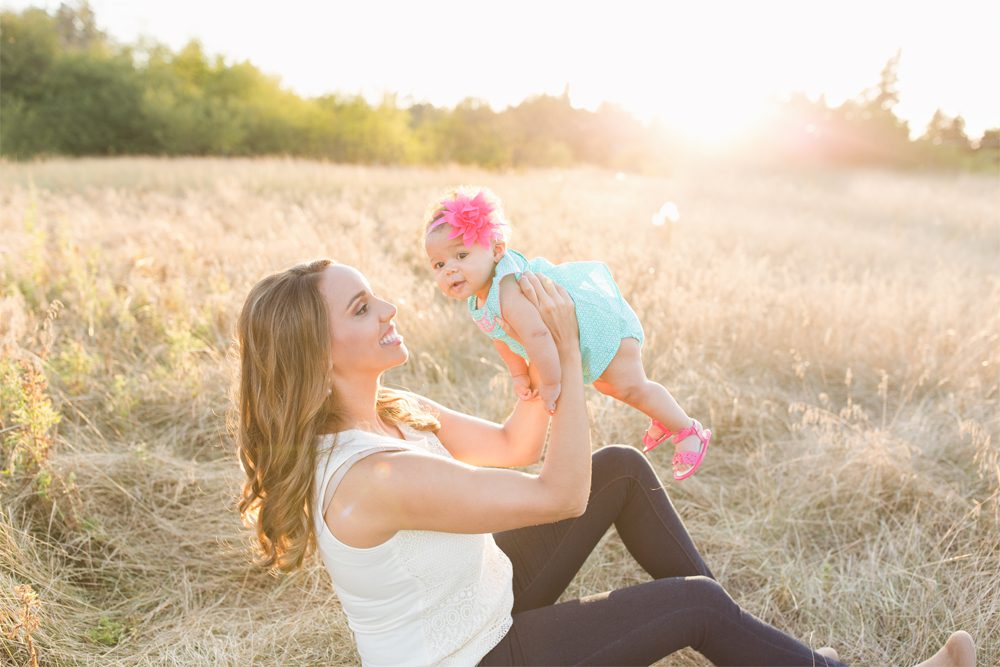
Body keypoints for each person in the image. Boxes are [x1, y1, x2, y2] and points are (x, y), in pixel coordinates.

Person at [234, 258, 977, 667]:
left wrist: (542, 371)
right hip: (474, 658)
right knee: (695, 603)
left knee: (620, 467)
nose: (391, 304)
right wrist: (563, 347)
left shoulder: (396, 409)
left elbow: (513, 445)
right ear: (316, 354)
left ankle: (755, 655)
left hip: (483, 602)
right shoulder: (371, 478)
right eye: (363, 307)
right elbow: (556, 491)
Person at [423, 186, 708, 481]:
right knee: (610, 386)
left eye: (461, 255)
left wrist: (551, 383)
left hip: (601, 327)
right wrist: (519, 375)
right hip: (586, 339)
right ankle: (660, 414)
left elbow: (537, 337)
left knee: (631, 386)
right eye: (439, 264)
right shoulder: (478, 302)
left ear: (497, 250)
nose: (450, 270)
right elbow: (503, 341)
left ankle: (687, 431)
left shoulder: (507, 290)